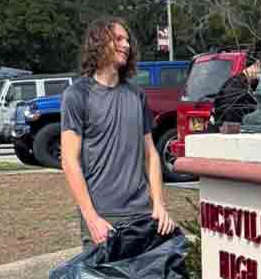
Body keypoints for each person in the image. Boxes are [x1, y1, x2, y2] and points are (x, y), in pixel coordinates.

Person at [61, 17, 176, 249]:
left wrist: (159, 204)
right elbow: (69, 161)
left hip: (141, 213)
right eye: (119, 39)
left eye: (127, 40)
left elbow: (151, 154)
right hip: (104, 217)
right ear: (100, 42)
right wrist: (92, 218)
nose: (127, 45)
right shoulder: (77, 95)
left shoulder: (136, 95)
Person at [211, 57, 261, 129]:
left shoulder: (234, 81)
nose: (259, 76)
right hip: (233, 125)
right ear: (256, 65)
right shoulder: (239, 85)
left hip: (224, 123)